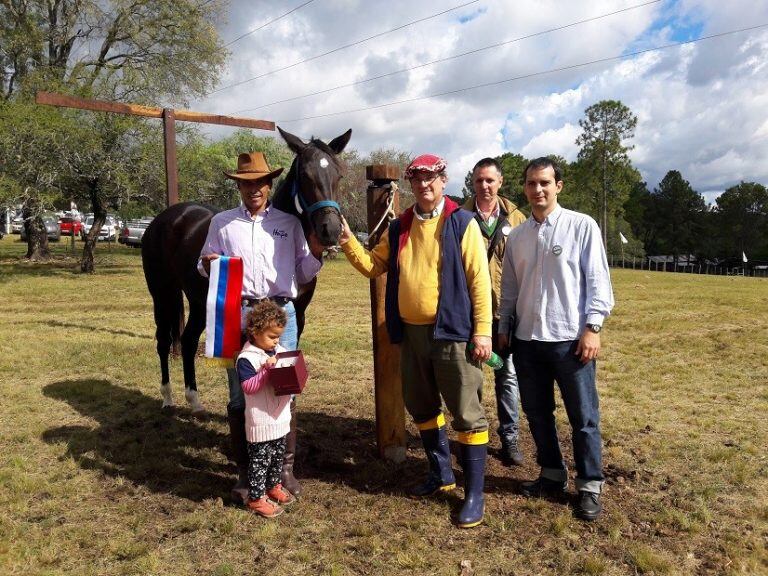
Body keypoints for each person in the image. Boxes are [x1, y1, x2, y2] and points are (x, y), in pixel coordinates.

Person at [339, 154, 493, 528]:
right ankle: (441, 475)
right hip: (412, 333)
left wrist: (483, 331)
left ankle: (474, 495)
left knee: (466, 412)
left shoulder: (461, 222)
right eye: (417, 180)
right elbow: (374, 265)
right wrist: (346, 240)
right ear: (410, 184)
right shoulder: (401, 225)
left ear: (443, 180)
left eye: (431, 179)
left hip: (453, 334)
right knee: (422, 406)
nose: (424, 185)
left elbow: (479, 280)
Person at [198, 151, 324, 505]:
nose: (254, 188)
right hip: (238, 314)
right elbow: (203, 265)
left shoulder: (289, 224)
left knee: (286, 391)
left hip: (281, 314)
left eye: (259, 182)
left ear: (270, 184)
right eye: (246, 182)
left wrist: (317, 253)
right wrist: (208, 265)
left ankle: (283, 470)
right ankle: (245, 470)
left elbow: (302, 271)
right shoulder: (221, 224)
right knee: (241, 395)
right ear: (239, 185)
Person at [498, 157, 614, 521]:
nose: (538, 190)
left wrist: (593, 327)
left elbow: (597, 280)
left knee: (583, 417)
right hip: (528, 340)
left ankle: (590, 485)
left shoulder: (581, 226)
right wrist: (504, 327)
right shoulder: (516, 235)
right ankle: (551, 473)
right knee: (537, 413)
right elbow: (510, 288)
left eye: (544, 183)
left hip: (570, 341)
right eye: (531, 184)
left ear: (558, 186)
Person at [462, 157, 527, 466]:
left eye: (490, 180)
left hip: (505, 312)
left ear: (500, 182)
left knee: (507, 376)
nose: (484, 186)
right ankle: (473, 437)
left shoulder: (517, 219)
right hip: (470, 313)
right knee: (470, 376)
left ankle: (510, 439)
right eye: (479, 181)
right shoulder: (459, 216)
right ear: (472, 184)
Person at [237, 301, 296, 518]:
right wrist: (266, 370)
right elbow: (249, 387)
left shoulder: (276, 350)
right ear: (255, 331)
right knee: (260, 462)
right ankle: (256, 498)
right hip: (261, 423)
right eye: (272, 336)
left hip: (279, 420)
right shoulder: (247, 358)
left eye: (278, 336)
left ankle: (273, 486)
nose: (276, 341)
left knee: (276, 458)